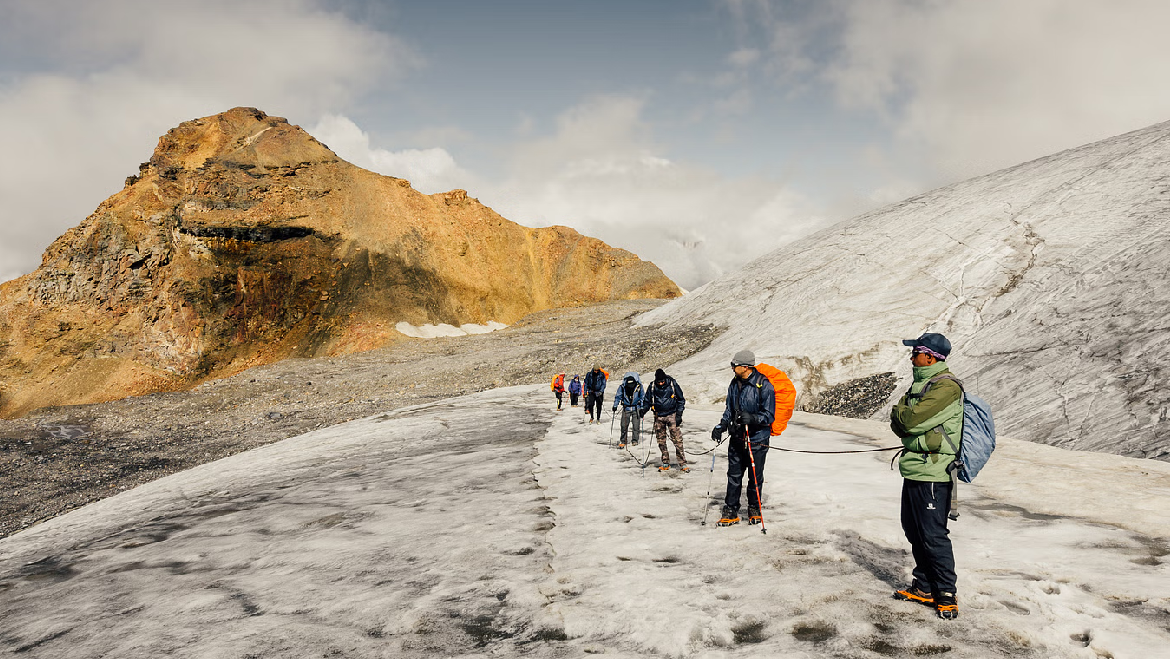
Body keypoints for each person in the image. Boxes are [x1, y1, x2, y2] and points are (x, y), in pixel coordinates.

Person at [889, 332, 964, 620]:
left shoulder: (946, 389)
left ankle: (945, 592)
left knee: (933, 534)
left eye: (915, 353)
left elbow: (906, 420)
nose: (911, 358)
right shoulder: (924, 384)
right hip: (916, 468)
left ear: (929, 356)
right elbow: (903, 425)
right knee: (913, 529)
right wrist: (903, 420)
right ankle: (924, 586)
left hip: (934, 471)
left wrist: (903, 416)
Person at [710, 350, 775, 526]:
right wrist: (721, 425)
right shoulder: (734, 384)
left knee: (755, 476)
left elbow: (769, 415)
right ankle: (731, 510)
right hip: (737, 437)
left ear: (745, 367)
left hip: (757, 439)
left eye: (735, 365)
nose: (732, 367)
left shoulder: (764, 385)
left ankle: (754, 508)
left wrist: (754, 418)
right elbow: (729, 409)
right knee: (734, 475)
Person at [640, 368, 688, 472]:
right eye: (659, 382)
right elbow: (647, 400)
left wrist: (679, 414)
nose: (661, 383)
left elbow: (681, 400)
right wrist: (644, 409)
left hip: (672, 415)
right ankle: (665, 462)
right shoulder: (652, 386)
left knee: (677, 440)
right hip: (658, 416)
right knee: (661, 441)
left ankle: (683, 463)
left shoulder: (672, 384)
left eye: (662, 381)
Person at [611, 372, 644, 448]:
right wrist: (615, 405)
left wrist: (642, 408)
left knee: (636, 426)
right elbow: (618, 396)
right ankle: (623, 440)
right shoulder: (622, 387)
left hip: (636, 408)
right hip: (626, 408)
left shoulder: (639, 387)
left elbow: (642, 397)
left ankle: (635, 440)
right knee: (624, 425)